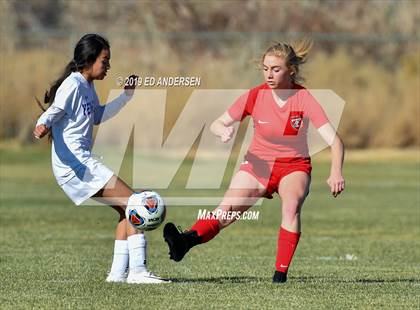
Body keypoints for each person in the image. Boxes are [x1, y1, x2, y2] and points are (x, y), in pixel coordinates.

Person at [163, 39, 345, 283]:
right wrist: (223, 132)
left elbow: (335, 141)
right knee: (226, 210)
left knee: (291, 207)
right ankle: (185, 241)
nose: (269, 74)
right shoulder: (255, 95)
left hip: (293, 166)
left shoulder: (304, 99)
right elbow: (219, 123)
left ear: (291, 70)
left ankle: (280, 274)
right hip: (257, 164)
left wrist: (336, 172)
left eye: (276, 69)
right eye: (265, 68)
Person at [33, 33, 169, 284]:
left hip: (79, 164)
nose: (108, 66)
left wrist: (126, 97)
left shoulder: (86, 85)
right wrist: (41, 125)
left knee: (126, 208)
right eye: (105, 60)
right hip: (76, 165)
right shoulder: (73, 85)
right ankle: (138, 272)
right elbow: (54, 111)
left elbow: (97, 116)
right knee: (136, 203)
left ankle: (117, 274)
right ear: (89, 59)